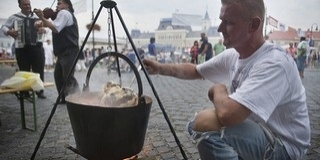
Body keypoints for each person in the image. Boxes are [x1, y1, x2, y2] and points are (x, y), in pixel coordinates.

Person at [143, 0, 310, 159]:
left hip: (284, 146)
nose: (220, 28)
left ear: (253, 25)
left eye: (228, 22)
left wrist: (218, 89)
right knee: (197, 125)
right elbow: (195, 70)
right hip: (259, 132)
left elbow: (228, 114)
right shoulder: (235, 55)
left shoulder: (274, 63)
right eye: (221, 20)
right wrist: (159, 68)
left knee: (204, 123)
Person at [34, 0, 80, 104]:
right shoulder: (61, 15)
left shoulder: (64, 13)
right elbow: (53, 25)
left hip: (69, 50)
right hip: (64, 51)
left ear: (67, 5)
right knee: (59, 75)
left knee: (68, 76)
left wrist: (42, 18)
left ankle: (78, 98)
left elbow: (56, 27)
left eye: (59, 3)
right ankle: (64, 98)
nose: (57, 5)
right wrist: (42, 23)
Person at [1, 0, 47, 99]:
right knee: (24, 70)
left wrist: (43, 30)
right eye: (25, 4)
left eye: (28, 4)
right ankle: (25, 92)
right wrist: (9, 32)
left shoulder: (37, 16)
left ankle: (39, 90)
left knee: (39, 69)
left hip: (37, 47)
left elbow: (46, 28)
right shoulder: (15, 17)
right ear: (19, 5)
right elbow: (3, 27)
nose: (27, 6)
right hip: (22, 48)